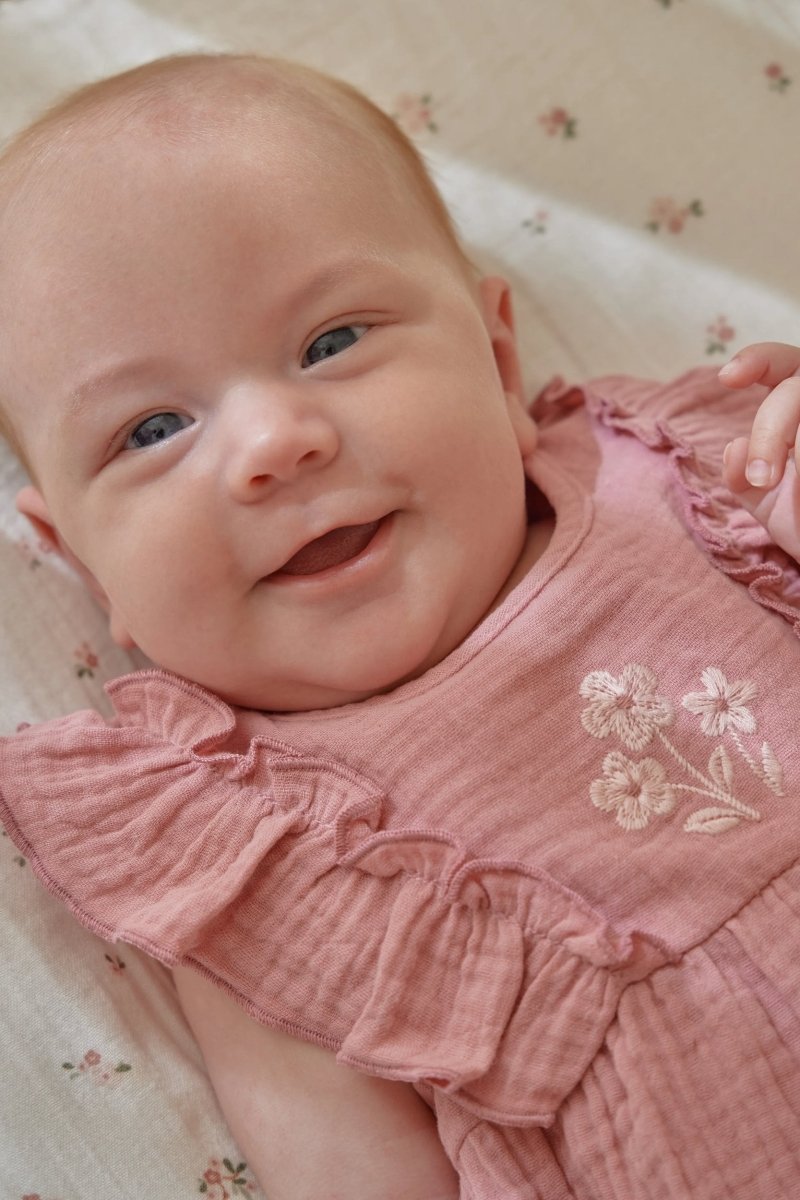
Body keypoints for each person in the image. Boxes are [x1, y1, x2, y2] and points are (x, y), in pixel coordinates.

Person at [0, 51, 799, 1200]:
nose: (275, 444)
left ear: (497, 361)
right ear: (82, 563)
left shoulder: (704, 482)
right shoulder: (255, 867)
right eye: (152, 430)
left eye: (331, 343)